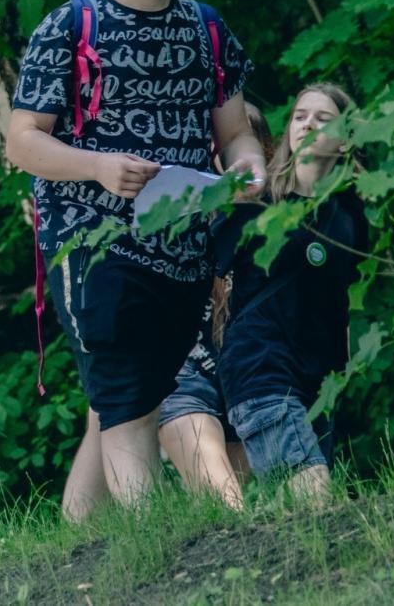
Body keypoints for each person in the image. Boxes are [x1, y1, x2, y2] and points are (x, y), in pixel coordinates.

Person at [4, 0, 267, 521]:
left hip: (182, 246)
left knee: (128, 399)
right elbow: (21, 141)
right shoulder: (71, 25)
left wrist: (249, 171)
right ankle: (153, 546)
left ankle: (76, 545)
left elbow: (235, 134)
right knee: (124, 388)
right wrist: (96, 167)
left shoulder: (207, 29)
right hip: (92, 241)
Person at [216, 84, 367, 500]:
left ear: (346, 138)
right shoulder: (255, 202)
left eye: (323, 118)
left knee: (305, 513)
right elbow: (202, 266)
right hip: (260, 367)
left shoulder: (351, 217)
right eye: (300, 116)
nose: (308, 125)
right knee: (313, 492)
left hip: (319, 381)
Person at [156, 102, 275, 507]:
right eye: (212, 151)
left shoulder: (282, 226)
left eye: (234, 150)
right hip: (185, 378)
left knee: (277, 502)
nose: (226, 164)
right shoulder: (174, 218)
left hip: (257, 380)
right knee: (225, 502)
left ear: (264, 153)